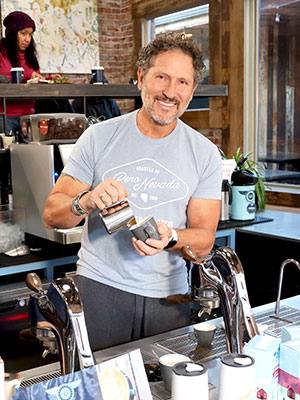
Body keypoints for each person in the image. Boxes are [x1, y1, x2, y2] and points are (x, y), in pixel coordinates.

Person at [43, 31, 222, 352]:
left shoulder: (205, 153)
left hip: (169, 297)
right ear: (141, 78)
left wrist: (171, 238)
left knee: (166, 389)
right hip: (99, 290)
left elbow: (205, 240)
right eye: (161, 77)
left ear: (193, 90)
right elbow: (52, 216)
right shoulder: (98, 137)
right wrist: (86, 201)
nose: (170, 91)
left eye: (182, 82)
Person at [0, 11, 60, 134]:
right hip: (5, 116)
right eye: (23, 33)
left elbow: (33, 82)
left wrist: (47, 80)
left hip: (29, 116)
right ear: (12, 33)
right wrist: (26, 77)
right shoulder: (1, 54)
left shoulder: (30, 57)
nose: (28, 39)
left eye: (30, 34)